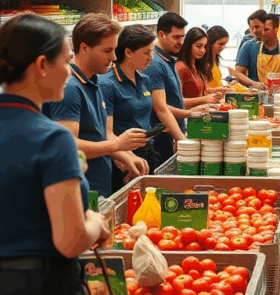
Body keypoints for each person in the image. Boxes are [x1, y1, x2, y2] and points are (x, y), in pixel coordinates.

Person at [0, 14, 111, 294]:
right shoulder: (53, 138)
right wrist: (95, 223)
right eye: (65, 60)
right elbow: (71, 241)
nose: (70, 71)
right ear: (41, 65)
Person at [44, 13, 148, 198]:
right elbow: (68, 146)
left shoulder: (94, 81)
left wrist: (125, 156)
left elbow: (98, 135)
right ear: (84, 48)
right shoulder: (70, 89)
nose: (114, 57)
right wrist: (116, 145)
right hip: (78, 194)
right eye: (107, 51)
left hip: (98, 189)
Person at [102, 26, 162, 191]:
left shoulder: (144, 79)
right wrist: (128, 159)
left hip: (146, 154)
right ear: (128, 52)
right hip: (122, 160)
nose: (151, 57)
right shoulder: (107, 84)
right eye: (146, 52)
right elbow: (106, 132)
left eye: (152, 52)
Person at [145, 13, 209, 164]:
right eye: (176, 37)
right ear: (161, 35)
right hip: (162, 136)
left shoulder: (168, 60)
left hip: (172, 133)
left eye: (182, 37)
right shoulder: (155, 64)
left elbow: (174, 100)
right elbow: (160, 108)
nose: (180, 42)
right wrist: (181, 137)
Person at [235, 13, 280, 104]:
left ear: (276, 29)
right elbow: (238, 73)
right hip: (256, 101)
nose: (261, 32)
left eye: (266, 30)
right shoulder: (249, 47)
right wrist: (254, 83)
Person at [176, 28, 224, 103]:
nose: (202, 50)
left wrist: (217, 93)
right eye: (198, 46)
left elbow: (203, 90)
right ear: (189, 45)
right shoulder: (181, 67)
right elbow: (176, 102)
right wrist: (204, 99)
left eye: (205, 47)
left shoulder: (198, 66)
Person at [205, 25, 234, 90]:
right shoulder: (203, 61)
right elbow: (204, 89)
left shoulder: (215, 59)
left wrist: (227, 86)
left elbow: (216, 84)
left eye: (225, 44)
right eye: (220, 44)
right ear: (211, 42)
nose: (223, 47)